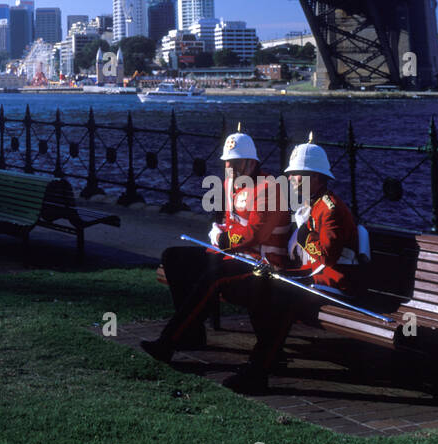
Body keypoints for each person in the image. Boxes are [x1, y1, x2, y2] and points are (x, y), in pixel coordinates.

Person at [224, 137, 364, 394]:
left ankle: (258, 370)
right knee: (262, 282)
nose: (290, 180)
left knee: (284, 296)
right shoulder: (311, 204)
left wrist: (303, 236)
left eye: (297, 175)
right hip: (315, 276)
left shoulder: (329, 209)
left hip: (336, 281)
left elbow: (327, 257)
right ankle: (266, 360)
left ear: (316, 178)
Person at [141, 128, 293, 361]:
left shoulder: (269, 188)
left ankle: (168, 342)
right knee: (173, 257)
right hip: (237, 257)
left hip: (264, 264)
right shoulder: (230, 185)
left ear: (251, 163)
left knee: (212, 275)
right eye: (227, 163)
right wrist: (218, 229)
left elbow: (255, 235)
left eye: (235, 163)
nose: (229, 168)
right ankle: (192, 333)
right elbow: (228, 222)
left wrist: (223, 239)